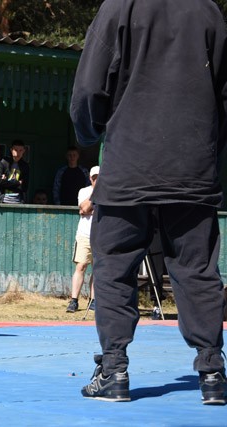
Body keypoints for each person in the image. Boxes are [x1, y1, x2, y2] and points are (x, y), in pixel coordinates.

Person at [70, 0, 227, 405]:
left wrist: (91, 134)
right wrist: (208, 148)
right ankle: (213, 372)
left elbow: (89, 88)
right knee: (197, 270)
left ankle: (114, 370)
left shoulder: (119, 7)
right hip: (193, 167)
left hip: (128, 165)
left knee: (115, 268)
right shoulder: (208, 11)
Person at [66, 166, 98, 313]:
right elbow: (84, 208)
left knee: (97, 269)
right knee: (81, 266)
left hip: (100, 236)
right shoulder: (84, 191)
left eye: (99, 177)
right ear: (90, 178)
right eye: (94, 178)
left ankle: (93, 301)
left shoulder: (109, 191)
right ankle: (74, 300)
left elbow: (86, 210)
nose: (97, 180)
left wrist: (88, 209)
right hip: (84, 234)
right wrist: (95, 198)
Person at [0, 140, 29, 204]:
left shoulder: (25, 166)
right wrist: (18, 183)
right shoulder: (3, 163)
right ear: (11, 150)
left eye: (20, 150)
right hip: (2, 200)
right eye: (15, 150)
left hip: (18, 201)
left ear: (24, 151)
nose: (18, 153)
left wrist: (6, 181)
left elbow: (24, 187)